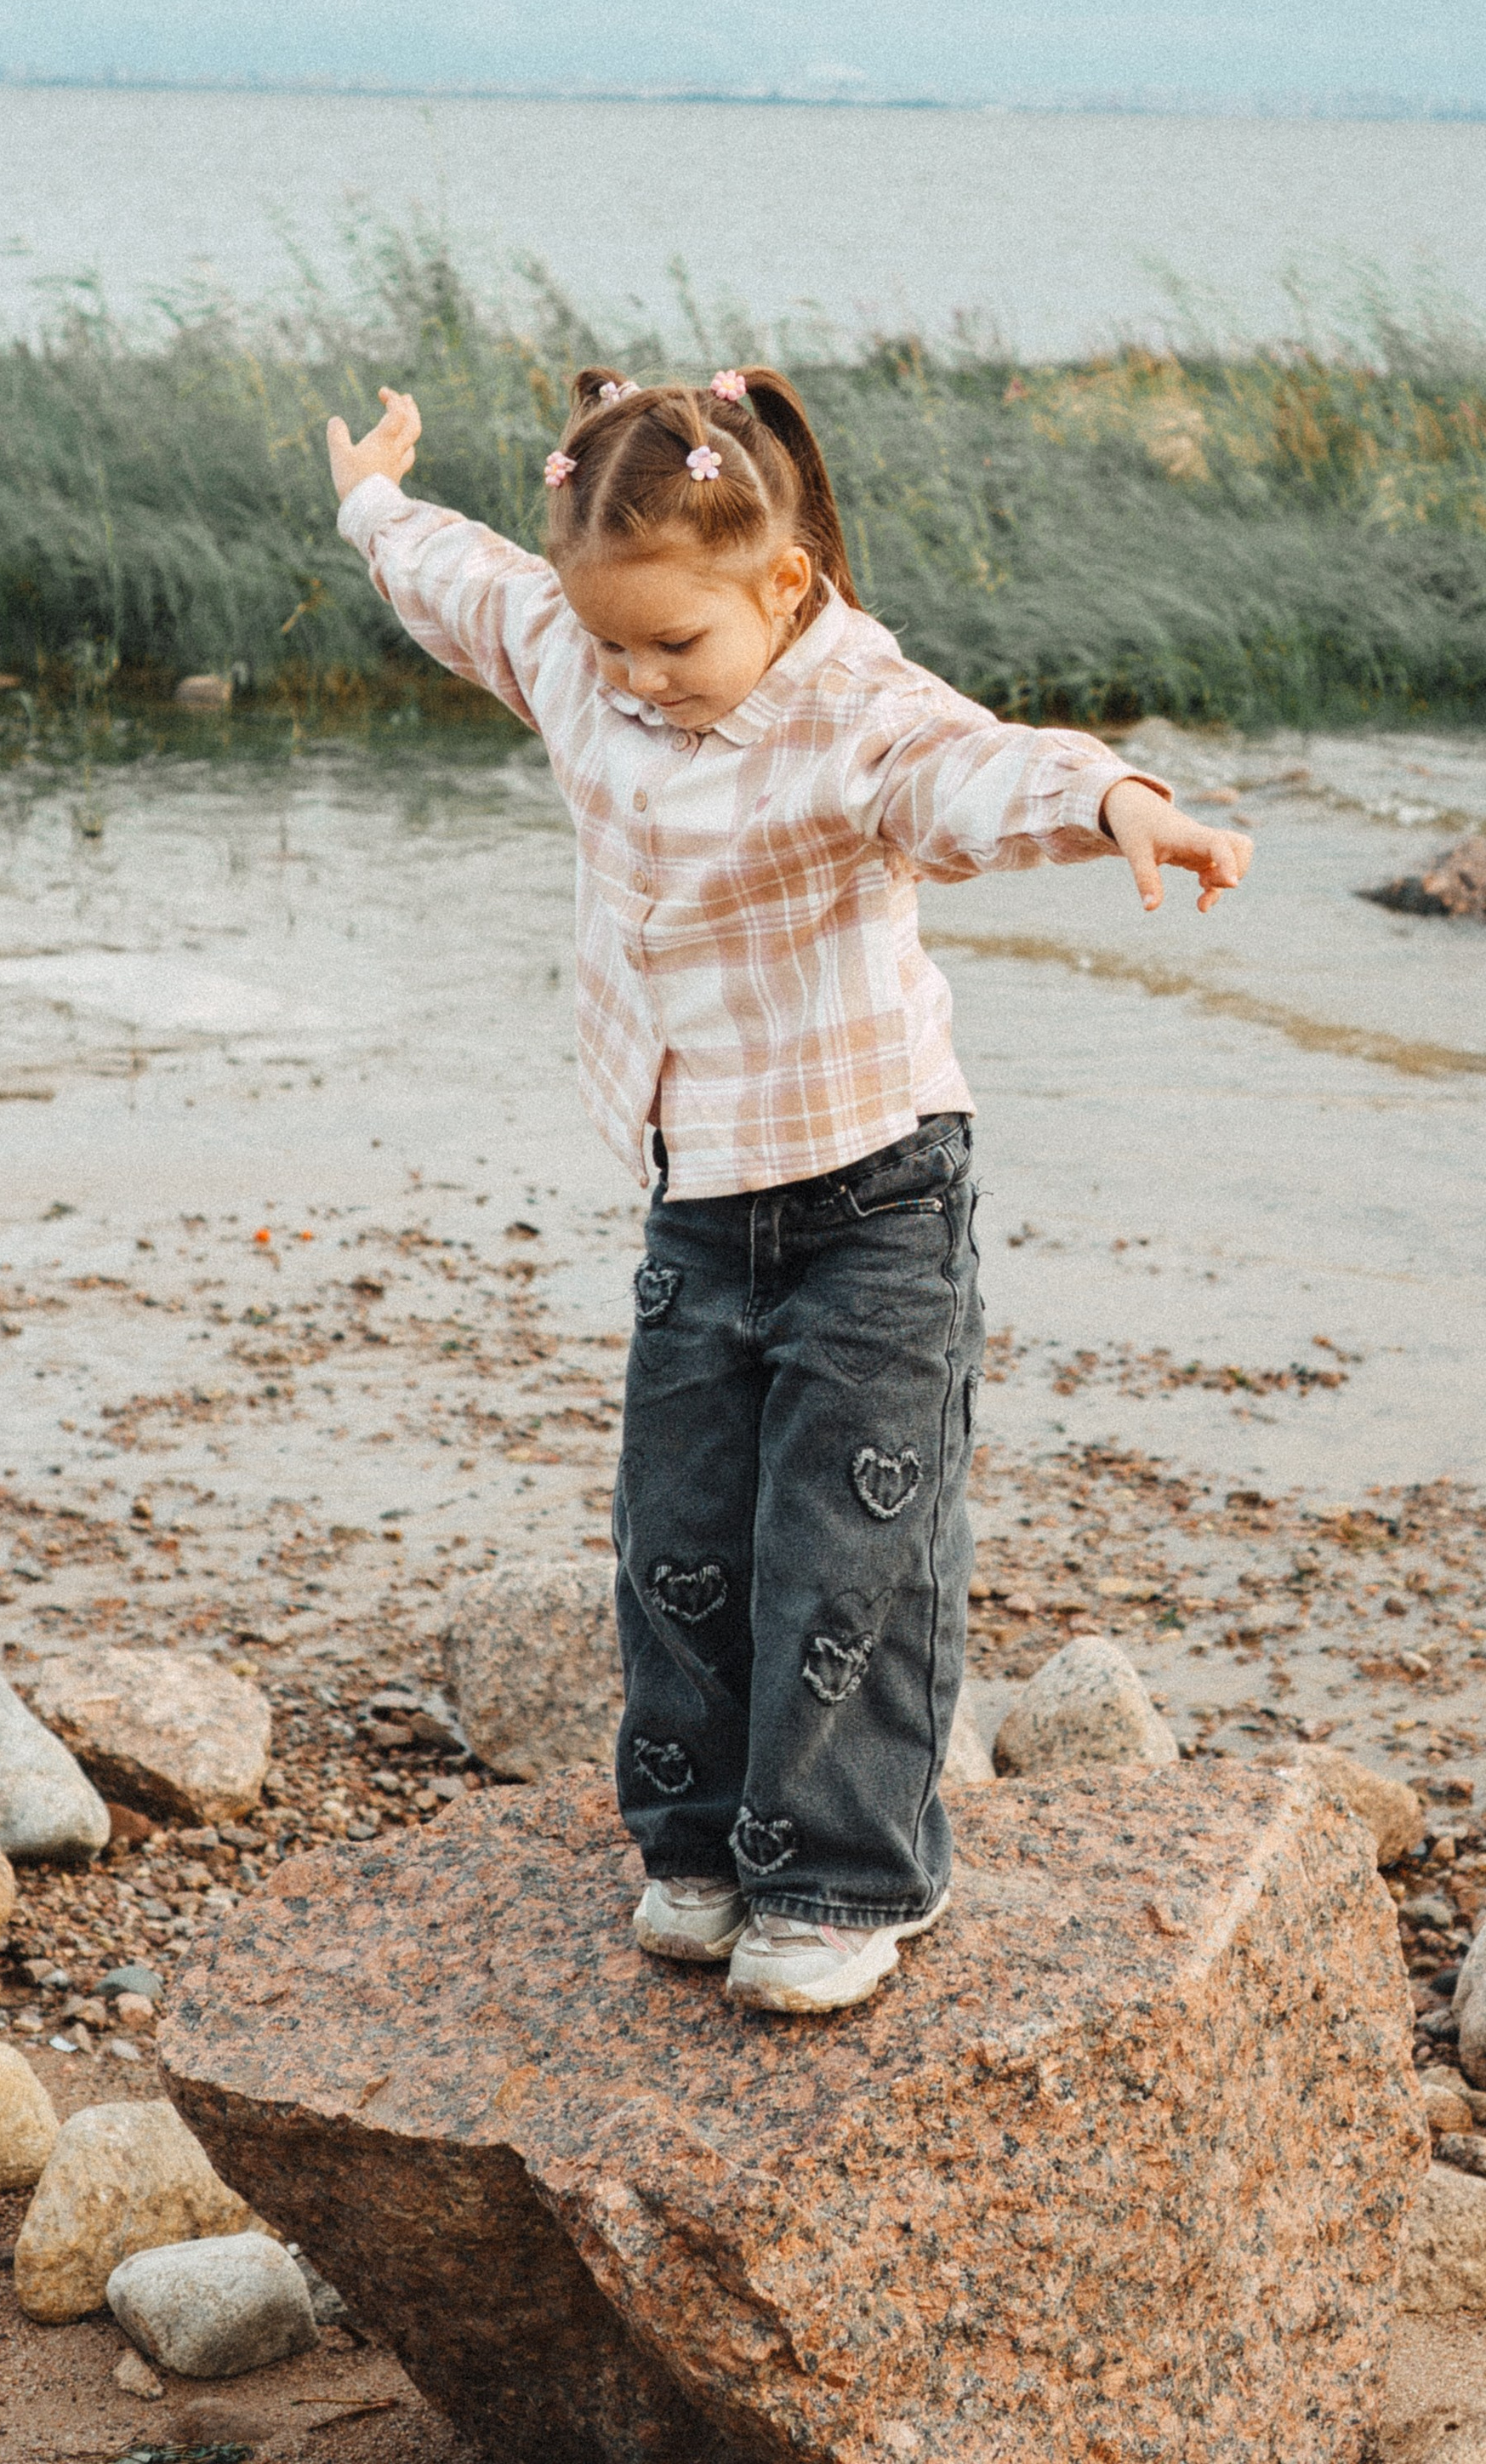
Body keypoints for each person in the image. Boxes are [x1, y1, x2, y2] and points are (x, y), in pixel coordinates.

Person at [326, 363, 1251, 2012]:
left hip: (875, 1194)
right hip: (697, 1193)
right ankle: (694, 1847)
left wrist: (1115, 800)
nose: (633, 677)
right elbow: (460, 587)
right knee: (675, 1532)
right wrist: (370, 500)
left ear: (783, 581)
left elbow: (978, 771)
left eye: (672, 645)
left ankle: (837, 1882)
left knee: (849, 1541)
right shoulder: (576, 648)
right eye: (609, 640)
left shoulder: (850, 711)